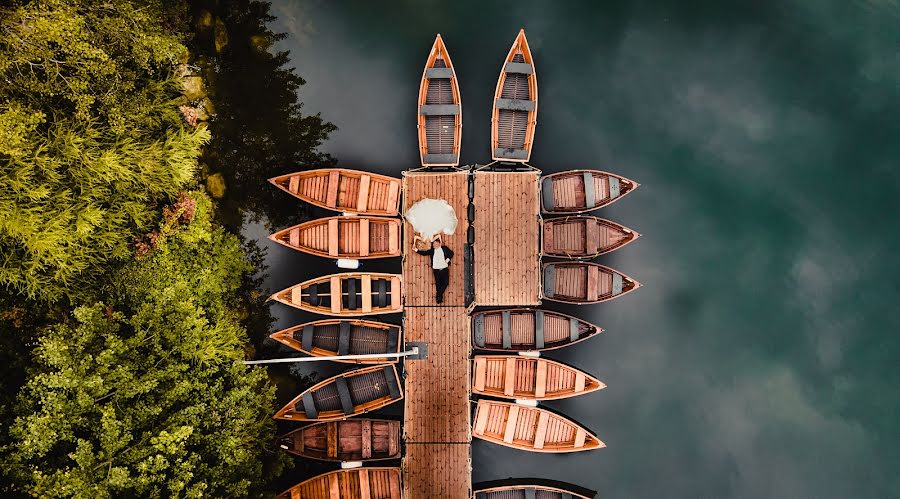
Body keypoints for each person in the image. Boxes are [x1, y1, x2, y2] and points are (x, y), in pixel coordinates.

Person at [414, 235, 453, 303]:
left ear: (439, 243)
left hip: (444, 269)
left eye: (436, 243)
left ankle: (438, 295)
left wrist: (447, 260)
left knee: (446, 283)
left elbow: (451, 253)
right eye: (434, 244)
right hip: (436, 270)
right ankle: (439, 299)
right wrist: (416, 250)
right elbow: (424, 253)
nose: (434, 245)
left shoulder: (444, 248)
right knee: (438, 285)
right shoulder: (432, 251)